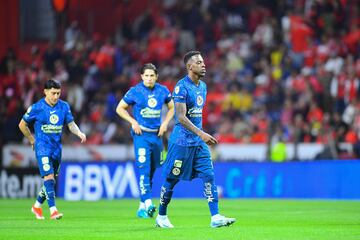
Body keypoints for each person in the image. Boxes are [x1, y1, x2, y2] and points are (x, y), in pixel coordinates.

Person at [155, 51, 236, 228]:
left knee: (209, 175)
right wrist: (201, 133)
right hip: (181, 143)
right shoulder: (181, 87)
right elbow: (181, 117)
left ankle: (215, 217)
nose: (203, 64)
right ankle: (161, 216)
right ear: (190, 66)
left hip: (198, 143)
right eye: (199, 62)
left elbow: (196, 115)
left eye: (203, 62)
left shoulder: (203, 87)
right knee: (171, 179)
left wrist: (200, 136)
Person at [18, 79, 87, 220]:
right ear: (45, 92)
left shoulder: (64, 106)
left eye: (58, 93)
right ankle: (53, 211)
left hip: (57, 149)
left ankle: (37, 206)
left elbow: (71, 124)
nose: (56, 96)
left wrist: (79, 133)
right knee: (48, 177)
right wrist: (32, 140)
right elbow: (22, 125)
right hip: (42, 147)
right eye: (53, 93)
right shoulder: (37, 108)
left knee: (51, 181)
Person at [116, 63, 174, 218]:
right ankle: (148, 204)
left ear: (156, 77)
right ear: (142, 76)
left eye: (152, 76)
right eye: (146, 76)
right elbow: (119, 108)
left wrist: (165, 123)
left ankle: (141, 206)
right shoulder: (135, 91)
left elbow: (172, 107)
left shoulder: (162, 90)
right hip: (141, 135)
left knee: (153, 170)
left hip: (157, 136)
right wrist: (133, 122)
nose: (149, 78)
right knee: (144, 170)